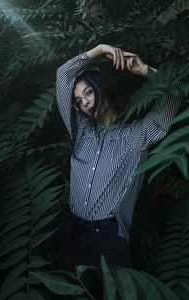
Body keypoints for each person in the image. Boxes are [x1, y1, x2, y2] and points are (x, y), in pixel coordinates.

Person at [56, 44, 182, 273]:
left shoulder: (137, 135)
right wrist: (99, 49)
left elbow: (174, 94)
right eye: (78, 100)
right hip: (70, 227)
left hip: (107, 238)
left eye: (88, 92)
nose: (83, 102)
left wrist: (144, 70)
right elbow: (63, 74)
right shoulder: (80, 131)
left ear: (102, 88)